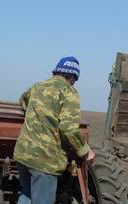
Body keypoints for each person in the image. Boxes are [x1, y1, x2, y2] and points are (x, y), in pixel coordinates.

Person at [14, 56, 95, 204]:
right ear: (72, 77)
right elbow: (68, 128)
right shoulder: (69, 92)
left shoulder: (37, 86)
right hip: (45, 159)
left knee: (27, 195)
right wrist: (85, 151)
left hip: (23, 154)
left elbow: (23, 101)